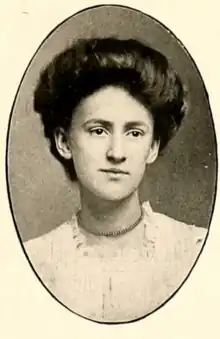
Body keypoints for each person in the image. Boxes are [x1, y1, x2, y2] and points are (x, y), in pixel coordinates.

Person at [24, 38, 207, 323]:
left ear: (153, 147)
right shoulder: (32, 261)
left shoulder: (197, 250)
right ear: (64, 142)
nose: (116, 153)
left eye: (134, 133)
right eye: (98, 130)